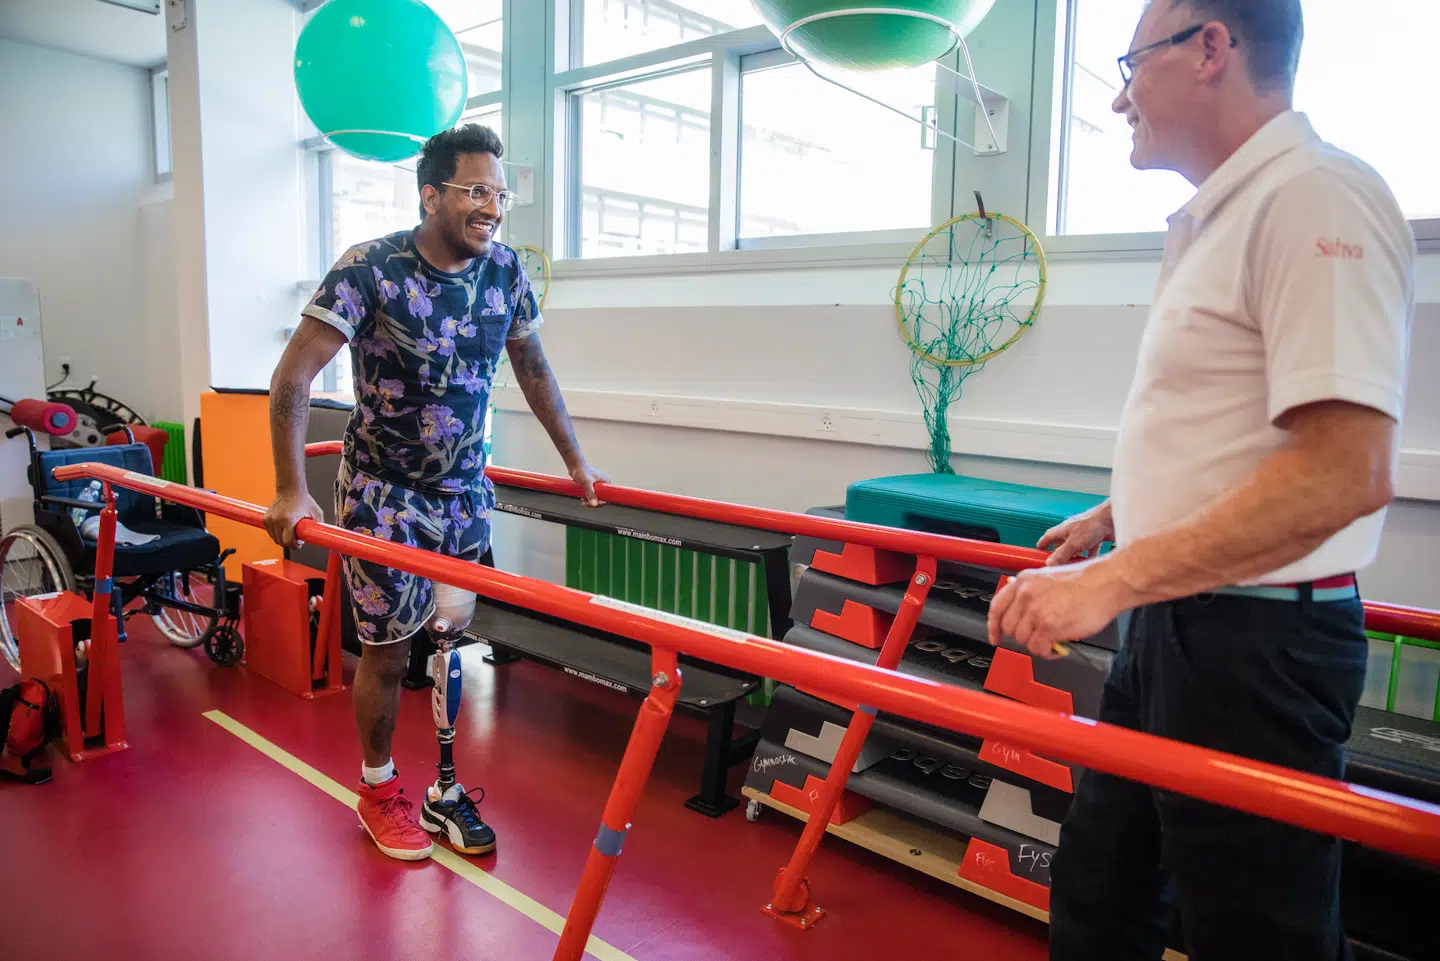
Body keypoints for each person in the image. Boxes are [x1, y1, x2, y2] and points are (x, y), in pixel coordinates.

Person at [986, 1, 1413, 958]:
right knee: (1102, 895)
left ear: (1211, 48)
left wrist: (1107, 582)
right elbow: (1234, 432)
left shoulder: (1315, 198)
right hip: (1176, 622)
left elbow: (1345, 471)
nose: (1116, 97)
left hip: (1255, 644)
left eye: (1131, 63)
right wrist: (1113, 518)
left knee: (1258, 935)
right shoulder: (1227, 214)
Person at [263, 124, 608, 862]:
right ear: (431, 194)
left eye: (501, 193)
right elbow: (293, 377)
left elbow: (534, 368)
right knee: (387, 652)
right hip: (385, 493)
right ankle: (378, 787)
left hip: (462, 494)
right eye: (476, 191)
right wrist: (293, 489)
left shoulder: (506, 270)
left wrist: (578, 463)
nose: (493, 207)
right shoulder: (370, 269)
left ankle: (444, 785)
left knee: (450, 639)